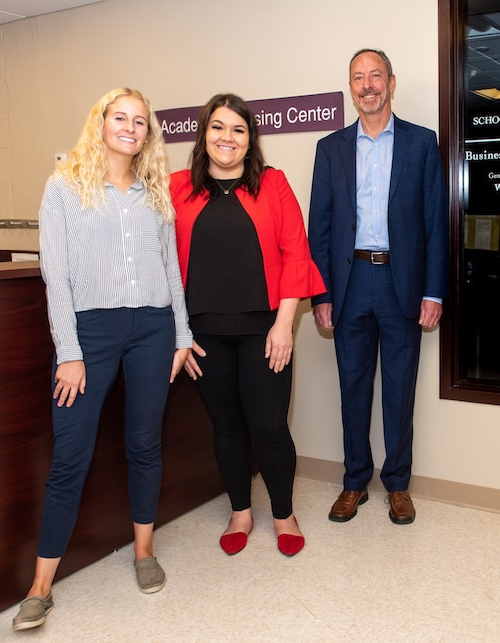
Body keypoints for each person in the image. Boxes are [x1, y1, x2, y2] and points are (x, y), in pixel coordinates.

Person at [14, 88, 192, 631]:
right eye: (121, 117)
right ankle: (40, 586)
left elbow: (170, 269)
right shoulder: (64, 187)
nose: (130, 128)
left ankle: (143, 552)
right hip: (90, 333)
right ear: (101, 122)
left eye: (140, 122)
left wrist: (181, 334)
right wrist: (69, 352)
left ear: (147, 135)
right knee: (70, 457)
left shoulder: (153, 190)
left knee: (144, 444)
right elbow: (57, 277)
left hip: (154, 329)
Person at [170, 94, 325, 558]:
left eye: (238, 130)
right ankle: (240, 510)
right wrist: (180, 331)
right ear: (204, 135)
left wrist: (284, 327)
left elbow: (296, 254)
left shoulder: (272, 184)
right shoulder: (178, 187)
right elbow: (159, 259)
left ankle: (283, 513)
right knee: (226, 425)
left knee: (269, 425)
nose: (227, 138)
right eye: (218, 127)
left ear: (249, 139)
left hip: (264, 330)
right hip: (204, 332)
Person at [308, 48, 449, 525]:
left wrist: (434, 291)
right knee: (352, 387)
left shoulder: (421, 143)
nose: (367, 85)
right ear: (351, 88)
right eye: (357, 78)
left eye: (375, 76)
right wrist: (321, 294)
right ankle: (354, 482)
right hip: (349, 284)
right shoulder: (330, 149)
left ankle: (398, 485)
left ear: (392, 81)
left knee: (399, 389)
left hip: (401, 282)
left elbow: (435, 223)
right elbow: (320, 229)